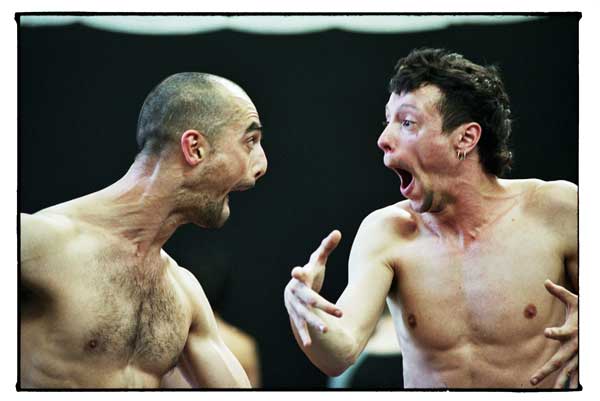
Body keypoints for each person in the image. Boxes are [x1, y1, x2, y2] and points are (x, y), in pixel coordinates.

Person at [284, 48, 578, 389]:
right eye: (387, 121)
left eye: (407, 122)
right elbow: (339, 355)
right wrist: (304, 309)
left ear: (465, 138)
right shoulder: (387, 232)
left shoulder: (556, 209)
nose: (383, 139)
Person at [19, 72, 267, 388]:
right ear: (195, 148)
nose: (261, 165)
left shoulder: (184, 295)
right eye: (250, 141)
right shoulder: (40, 242)